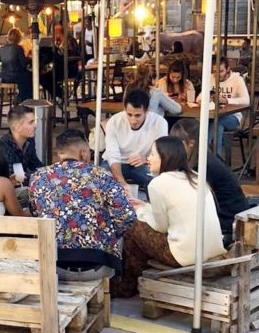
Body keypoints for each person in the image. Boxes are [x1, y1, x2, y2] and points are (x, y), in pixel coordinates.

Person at [118, 136, 225, 297]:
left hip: (184, 255)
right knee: (139, 227)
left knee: (130, 224)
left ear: (165, 157)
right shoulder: (195, 176)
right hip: (212, 248)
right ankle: (133, 281)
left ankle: (127, 286)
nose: (148, 159)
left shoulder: (158, 183)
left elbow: (160, 226)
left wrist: (139, 212)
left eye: (152, 154)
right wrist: (145, 206)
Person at [29, 129, 137, 278]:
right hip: (97, 267)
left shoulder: (38, 177)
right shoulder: (102, 175)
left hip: (53, 267)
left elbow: (35, 211)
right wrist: (109, 232)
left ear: (59, 154)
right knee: (120, 233)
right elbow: (126, 217)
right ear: (83, 153)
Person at [170, 118, 249, 246]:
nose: (173, 148)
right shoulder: (204, 159)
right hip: (228, 219)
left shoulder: (203, 166)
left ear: (191, 143)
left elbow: (190, 202)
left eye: (177, 143)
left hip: (227, 226)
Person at [102, 87, 168, 196]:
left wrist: (146, 159)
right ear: (124, 109)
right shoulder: (114, 122)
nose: (133, 120)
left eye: (138, 115)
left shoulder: (159, 123)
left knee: (156, 184)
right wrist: (122, 183)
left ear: (147, 111)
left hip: (143, 163)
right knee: (102, 181)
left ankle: (152, 211)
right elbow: (112, 154)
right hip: (116, 162)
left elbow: (162, 153)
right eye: (129, 114)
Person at [198, 55, 250, 156]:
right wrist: (204, 99)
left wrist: (226, 100)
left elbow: (246, 101)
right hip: (213, 115)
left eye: (221, 71)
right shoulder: (210, 78)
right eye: (215, 71)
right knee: (213, 124)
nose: (217, 74)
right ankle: (214, 158)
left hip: (233, 117)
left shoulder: (237, 79)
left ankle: (203, 154)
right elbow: (199, 97)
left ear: (228, 69)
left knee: (217, 123)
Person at [1, 105, 42, 185]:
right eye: (31, 122)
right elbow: (17, 177)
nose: (35, 126)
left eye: (35, 121)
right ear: (17, 127)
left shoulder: (29, 140)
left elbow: (35, 164)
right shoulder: (3, 147)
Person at [0, 27, 32, 103]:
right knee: (30, 76)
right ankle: (25, 100)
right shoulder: (18, 48)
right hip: (17, 76)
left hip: (4, 77)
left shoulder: (2, 49)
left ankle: (20, 97)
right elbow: (23, 64)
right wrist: (29, 58)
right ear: (19, 37)